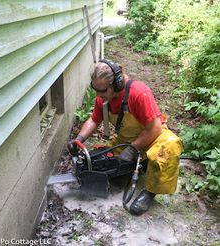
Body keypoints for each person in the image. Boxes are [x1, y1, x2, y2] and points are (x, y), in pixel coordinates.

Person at [68, 59, 183, 215]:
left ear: (117, 84)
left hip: (152, 136)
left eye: (102, 91)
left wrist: (133, 149)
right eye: (95, 90)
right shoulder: (103, 97)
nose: (98, 95)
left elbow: (154, 128)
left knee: (169, 146)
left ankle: (150, 192)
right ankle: (138, 165)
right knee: (100, 162)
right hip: (125, 139)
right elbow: (94, 119)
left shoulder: (138, 93)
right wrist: (79, 139)